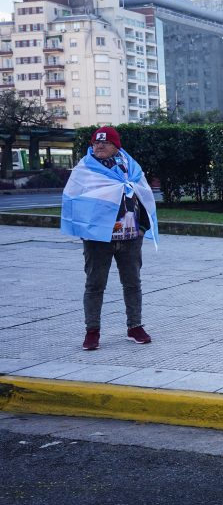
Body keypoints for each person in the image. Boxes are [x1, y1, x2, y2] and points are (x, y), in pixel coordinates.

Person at [61, 126, 159, 350]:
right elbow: (73, 199)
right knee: (95, 285)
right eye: (96, 142)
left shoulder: (131, 167)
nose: (99, 146)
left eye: (105, 142)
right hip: (97, 240)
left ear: (116, 146)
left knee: (132, 283)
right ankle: (92, 331)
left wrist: (143, 227)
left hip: (130, 237)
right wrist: (85, 228)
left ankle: (135, 327)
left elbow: (143, 195)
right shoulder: (85, 170)